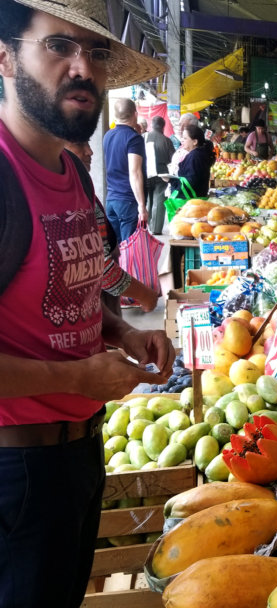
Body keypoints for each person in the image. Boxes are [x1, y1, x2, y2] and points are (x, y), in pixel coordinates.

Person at [0, 1, 173, 607]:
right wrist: (80, 375)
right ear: (4, 56)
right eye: (57, 46)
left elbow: (67, 291)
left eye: (95, 52)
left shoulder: (69, 172)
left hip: (76, 453)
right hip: (15, 470)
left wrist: (121, 332)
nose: (82, 67)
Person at [65, 140, 159, 313]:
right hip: (94, 304)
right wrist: (144, 294)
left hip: (101, 305)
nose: (90, 152)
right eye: (80, 144)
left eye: (89, 143)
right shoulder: (70, 200)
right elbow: (98, 263)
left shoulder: (81, 188)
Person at [103, 97, 147, 242]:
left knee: (115, 250)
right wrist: (141, 205)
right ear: (135, 114)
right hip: (127, 201)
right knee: (128, 251)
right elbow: (134, 172)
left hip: (111, 200)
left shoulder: (107, 136)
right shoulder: (134, 139)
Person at [144, 115, 174, 235]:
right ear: (163, 126)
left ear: (152, 125)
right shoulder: (166, 140)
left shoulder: (144, 138)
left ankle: (147, 225)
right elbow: (172, 159)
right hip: (161, 173)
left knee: (148, 200)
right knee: (159, 199)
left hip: (146, 173)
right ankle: (156, 229)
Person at [172, 123, 215, 199]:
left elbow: (190, 182)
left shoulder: (195, 156)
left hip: (192, 201)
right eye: (182, 138)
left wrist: (171, 181)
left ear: (195, 142)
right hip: (197, 199)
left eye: (185, 138)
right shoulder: (198, 154)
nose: (182, 140)